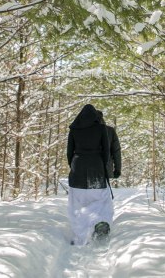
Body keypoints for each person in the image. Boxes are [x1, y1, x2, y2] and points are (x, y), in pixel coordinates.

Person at [66, 104, 112, 245]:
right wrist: (103, 166)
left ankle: (80, 236)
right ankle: (97, 223)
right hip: (96, 169)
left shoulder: (74, 129)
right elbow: (106, 151)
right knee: (100, 199)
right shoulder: (100, 128)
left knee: (77, 204)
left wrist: (73, 165)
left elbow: (69, 151)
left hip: (78, 169)